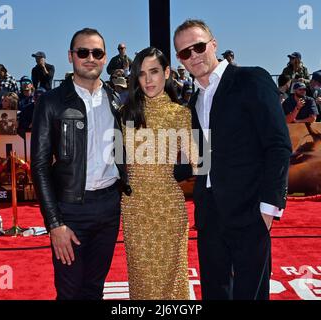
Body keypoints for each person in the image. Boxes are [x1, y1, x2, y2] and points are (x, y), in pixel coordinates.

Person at [173, 19, 292, 300]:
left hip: (251, 209)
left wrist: (268, 208)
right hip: (210, 213)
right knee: (214, 290)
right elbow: (197, 159)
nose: (194, 56)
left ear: (213, 44)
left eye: (199, 46)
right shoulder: (194, 102)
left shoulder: (251, 79)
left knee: (250, 292)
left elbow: (278, 144)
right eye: (184, 53)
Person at [30, 27, 131, 300]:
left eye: (96, 52)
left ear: (105, 57)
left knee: (94, 289)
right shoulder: (51, 102)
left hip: (109, 208)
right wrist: (54, 223)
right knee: (70, 291)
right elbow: (38, 165)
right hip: (69, 210)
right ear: (70, 56)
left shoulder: (116, 100)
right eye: (83, 52)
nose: (90, 58)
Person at [121, 47, 196, 299]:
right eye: (142, 74)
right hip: (134, 208)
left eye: (154, 72)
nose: (148, 80)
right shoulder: (125, 113)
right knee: (142, 281)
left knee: (171, 281)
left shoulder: (181, 113)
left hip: (169, 208)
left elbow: (200, 161)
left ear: (166, 72)